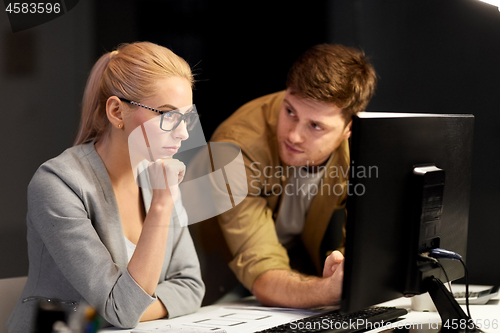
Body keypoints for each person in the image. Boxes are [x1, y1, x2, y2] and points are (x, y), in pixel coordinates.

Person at [7, 42, 205, 333]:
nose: (184, 132)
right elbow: (121, 311)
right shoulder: (57, 183)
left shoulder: (158, 171)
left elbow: (190, 286)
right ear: (116, 111)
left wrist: (127, 309)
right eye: (167, 115)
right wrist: (162, 206)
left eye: (186, 117)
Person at [209, 44, 377, 308]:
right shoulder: (235, 147)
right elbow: (260, 268)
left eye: (315, 126)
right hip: (220, 280)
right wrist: (330, 289)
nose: (294, 135)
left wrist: (346, 267)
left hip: (296, 266)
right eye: (290, 111)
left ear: (349, 129)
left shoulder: (363, 147)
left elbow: (363, 240)